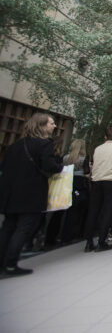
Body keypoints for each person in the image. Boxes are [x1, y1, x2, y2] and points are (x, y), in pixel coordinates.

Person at [0, 113, 63, 276]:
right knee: (24, 228)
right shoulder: (45, 145)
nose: (54, 126)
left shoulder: (15, 145)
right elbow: (49, 166)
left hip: (10, 193)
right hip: (31, 192)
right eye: (51, 123)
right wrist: (59, 165)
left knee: (8, 227)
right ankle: (11, 264)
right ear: (41, 126)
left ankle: (2, 263)